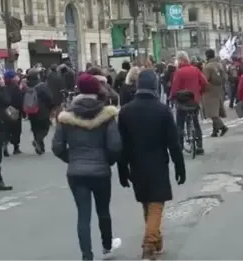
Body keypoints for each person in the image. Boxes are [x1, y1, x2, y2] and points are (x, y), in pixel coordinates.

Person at [52, 73, 123, 261]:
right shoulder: (107, 115)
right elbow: (115, 145)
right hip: (100, 170)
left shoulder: (66, 117)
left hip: (76, 171)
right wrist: (108, 160)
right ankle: (107, 247)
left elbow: (57, 147)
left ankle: (86, 255)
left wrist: (72, 159)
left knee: (83, 214)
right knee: (103, 210)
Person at [117, 69, 186, 260]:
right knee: (156, 204)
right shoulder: (162, 110)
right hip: (157, 163)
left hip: (136, 164)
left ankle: (156, 241)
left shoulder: (126, 111)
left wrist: (122, 171)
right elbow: (173, 143)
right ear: (155, 86)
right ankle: (149, 243)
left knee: (147, 204)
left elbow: (120, 145)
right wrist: (179, 166)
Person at [170, 51, 207, 154]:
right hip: (194, 101)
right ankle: (199, 146)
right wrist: (199, 92)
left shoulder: (179, 72)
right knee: (196, 123)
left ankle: (180, 146)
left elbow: (174, 88)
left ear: (180, 60)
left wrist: (172, 97)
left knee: (180, 124)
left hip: (182, 102)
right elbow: (204, 83)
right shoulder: (195, 70)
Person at [23, 70, 54, 155]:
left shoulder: (26, 86)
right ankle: (38, 141)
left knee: (35, 128)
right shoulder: (42, 86)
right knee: (45, 128)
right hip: (42, 110)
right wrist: (51, 107)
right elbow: (49, 98)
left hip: (31, 110)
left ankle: (40, 147)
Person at [201, 49, 228, 137]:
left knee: (212, 112)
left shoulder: (207, 67)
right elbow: (225, 77)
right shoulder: (219, 64)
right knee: (216, 110)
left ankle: (222, 127)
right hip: (219, 89)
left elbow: (205, 79)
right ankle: (214, 131)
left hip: (210, 90)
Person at [3, 70, 23, 156]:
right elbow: (19, 100)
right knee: (16, 130)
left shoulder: (3, 87)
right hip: (15, 111)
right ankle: (16, 147)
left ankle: (5, 145)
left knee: (6, 129)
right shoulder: (16, 87)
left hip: (5, 111)